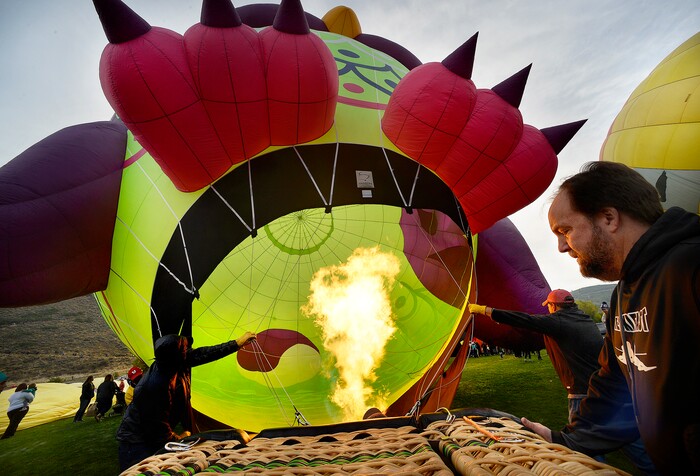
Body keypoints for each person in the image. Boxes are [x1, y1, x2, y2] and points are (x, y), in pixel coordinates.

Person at [521, 161, 700, 473]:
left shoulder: (691, 266)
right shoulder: (623, 295)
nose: (562, 247)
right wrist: (565, 441)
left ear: (608, 218)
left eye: (565, 230)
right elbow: (613, 387)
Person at [116, 331, 256, 471]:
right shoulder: (154, 387)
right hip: (136, 441)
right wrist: (181, 438)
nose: (188, 352)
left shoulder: (172, 362)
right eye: (184, 350)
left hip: (151, 433)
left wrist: (237, 343)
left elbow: (205, 353)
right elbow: (159, 432)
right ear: (176, 357)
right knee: (145, 471)